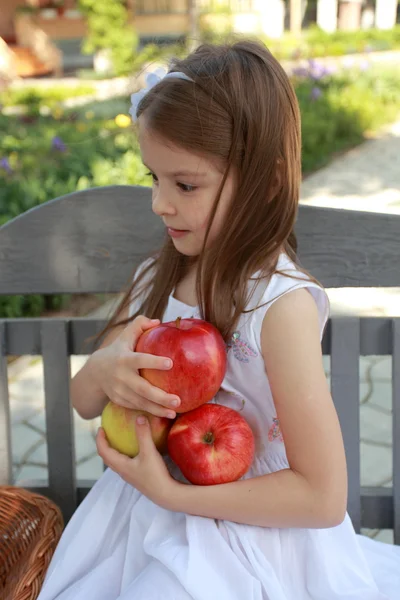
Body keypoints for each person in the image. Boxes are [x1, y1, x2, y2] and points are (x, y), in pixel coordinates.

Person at [38, 40, 400, 600]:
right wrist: (106, 368)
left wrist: (175, 497)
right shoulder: (158, 276)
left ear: (267, 182)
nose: (160, 203)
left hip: (248, 533)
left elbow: (322, 496)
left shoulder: (278, 307)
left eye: (184, 185)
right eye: (153, 178)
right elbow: (86, 401)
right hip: (142, 522)